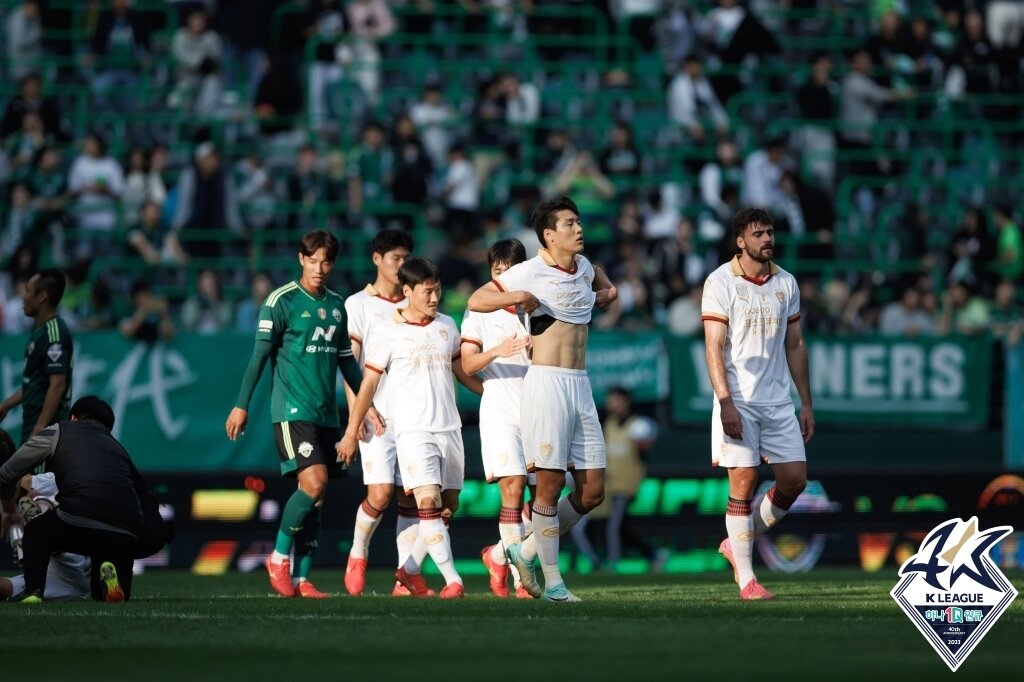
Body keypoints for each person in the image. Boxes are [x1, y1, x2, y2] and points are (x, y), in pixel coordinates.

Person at [467, 196, 618, 602]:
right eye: (569, 224)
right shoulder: (529, 271)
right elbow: (477, 299)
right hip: (546, 383)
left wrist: (608, 290)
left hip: (580, 384)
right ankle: (554, 585)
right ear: (549, 235)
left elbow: (603, 283)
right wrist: (516, 296)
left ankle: (524, 551)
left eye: (578, 221)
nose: (579, 228)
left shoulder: (584, 266)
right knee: (548, 487)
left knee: (592, 492)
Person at [226, 230, 381, 599]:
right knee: (314, 483)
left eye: (325, 261)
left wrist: (367, 405)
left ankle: (302, 579)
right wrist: (241, 403)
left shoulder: (337, 305)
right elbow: (259, 358)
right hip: (291, 410)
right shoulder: (280, 301)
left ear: (333, 263)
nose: (319, 268)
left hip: (326, 414)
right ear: (301, 259)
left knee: (317, 495)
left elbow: (347, 363)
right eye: (312, 261)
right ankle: (278, 558)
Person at [339, 257, 484, 599]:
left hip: (449, 428)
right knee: (427, 501)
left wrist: (493, 393)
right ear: (407, 291)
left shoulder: (447, 325)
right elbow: (368, 385)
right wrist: (351, 429)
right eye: (427, 292)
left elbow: (462, 372)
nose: (435, 298)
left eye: (438, 290)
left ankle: (410, 570)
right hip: (413, 432)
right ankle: (453, 580)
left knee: (448, 505)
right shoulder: (387, 333)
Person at [701, 208, 813, 600]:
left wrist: (806, 403)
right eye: (758, 233)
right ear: (740, 241)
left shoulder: (786, 282)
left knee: (794, 480)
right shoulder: (720, 281)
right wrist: (725, 402)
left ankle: (737, 541)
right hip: (740, 400)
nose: (767, 239)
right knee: (744, 482)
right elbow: (713, 347)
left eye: (769, 232)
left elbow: (795, 345)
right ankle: (747, 580)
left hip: (779, 401)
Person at [0, 397, 143, 602]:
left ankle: (33, 590)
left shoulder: (61, 431)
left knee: (37, 532)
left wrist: (11, 510)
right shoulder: (118, 448)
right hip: (126, 530)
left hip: (78, 523)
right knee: (103, 592)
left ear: (74, 418)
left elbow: (9, 473)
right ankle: (108, 579)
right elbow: (144, 498)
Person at [340, 229, 420, 597]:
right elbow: (350, 363)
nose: (401, 265)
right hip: (376, 414)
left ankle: (404, 578)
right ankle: (358, 552)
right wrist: (358, 411)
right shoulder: (358, 305)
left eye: (406, 258)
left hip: (413, 416)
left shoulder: (415, 301)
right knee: (381, 493)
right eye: (395, 258)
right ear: (377, 259)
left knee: (409, 497)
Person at [461, 239, 533, 598]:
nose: (502, 277)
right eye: (497, 271)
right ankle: (522, 580)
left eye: (510, 271)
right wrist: (497, 352)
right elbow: (466, 364)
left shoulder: (538, 306)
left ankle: (497, 555)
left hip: (538, 409)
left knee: (545, 500)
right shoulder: (478, 311)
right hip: (500, 412)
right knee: (513, 489)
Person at [0, 269, 73, 449]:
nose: (23, 297)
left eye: (27, 291)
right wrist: (5, 405)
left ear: (42, 296)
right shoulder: (40, 332)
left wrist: (40, 428)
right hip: (32, 423)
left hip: (46, 431)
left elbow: (57, 384)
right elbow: (34, 382)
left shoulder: (54, 333)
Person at [0, 469, 90, 601]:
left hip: (75, 556)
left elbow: (11, 478)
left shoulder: (46, 480)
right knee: (10, 586)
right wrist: (29, 557)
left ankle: (38, 516)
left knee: (41, 502)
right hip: (57, 576)